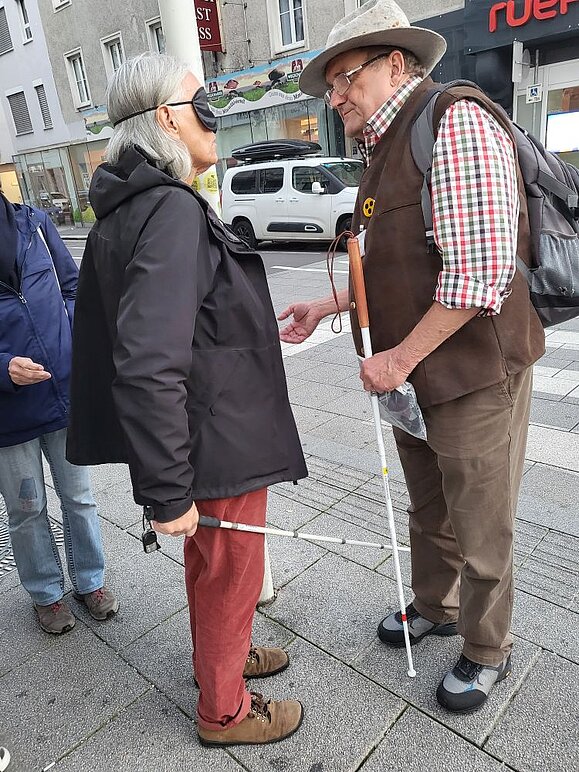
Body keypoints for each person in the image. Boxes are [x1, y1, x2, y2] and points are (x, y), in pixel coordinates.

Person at [279, 0, 545, 713]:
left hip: (470, 372)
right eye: (329, 87)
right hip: (413, 376)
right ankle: (437, 603)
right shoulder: (382, 144)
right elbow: (394, 266)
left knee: (482, 520)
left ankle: (487, 646)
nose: (334, 99)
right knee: (429, 505)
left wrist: (396, 359)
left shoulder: (451, 120)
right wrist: (327, 308)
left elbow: (478, 273)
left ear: (395, 61)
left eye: (343, 79)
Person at [66, 53, 308, 746]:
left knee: (214, 570)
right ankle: (224, 710)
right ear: (166, 119)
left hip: (203, 428)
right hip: (213, 434)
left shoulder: (132, 205)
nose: (215, 119)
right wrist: (168, 490)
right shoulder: (167, 210)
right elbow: (145, 360)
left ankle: (220, 667)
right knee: (231, 574)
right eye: (201, 104)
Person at [0, 193, 118, 635]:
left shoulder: (34, 224)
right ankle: (46, 594)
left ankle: (91, 582)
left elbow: (73, 288)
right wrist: (4, 368)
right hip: (8, 413)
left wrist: (69, 338)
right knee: (27, 507)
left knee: (80, 496)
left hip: (62, 394)